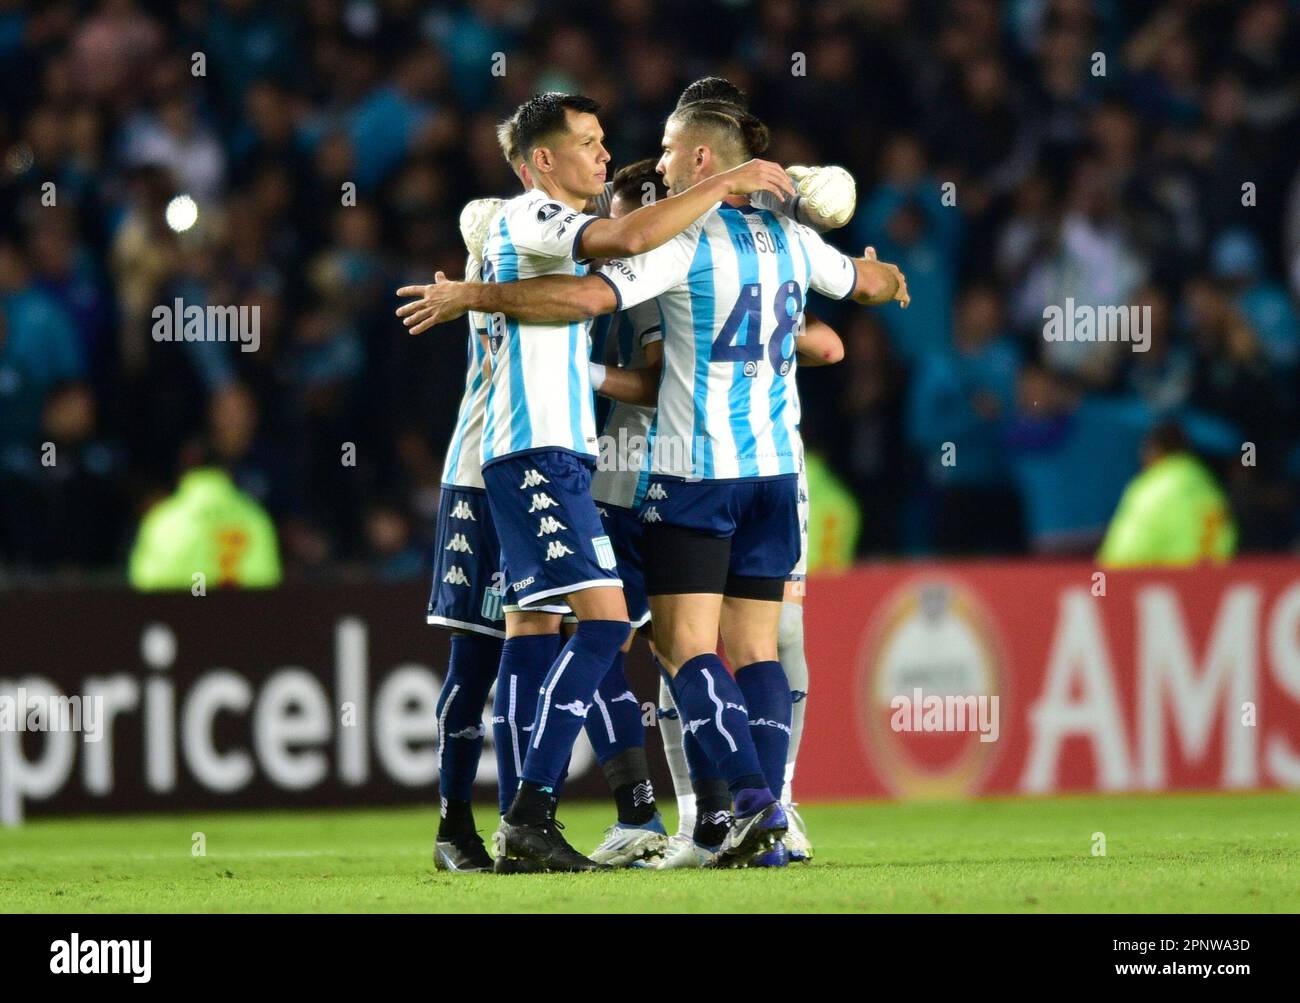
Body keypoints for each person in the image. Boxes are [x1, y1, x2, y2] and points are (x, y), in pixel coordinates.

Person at [400, 98, 908, 866]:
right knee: (758, 651)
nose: (652, 162)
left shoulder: (684, 240)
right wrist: (888, 275)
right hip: (775, 470)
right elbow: (856, 297)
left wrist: (475, 295)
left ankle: (728, 807)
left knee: (677, 644)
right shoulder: (791, 239)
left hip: (694, 473)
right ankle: (763, 823)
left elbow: (592, 291)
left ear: (704, 161)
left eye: (668, 151)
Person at [1097, 422, 1237, 568]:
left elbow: (1124, 556)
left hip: (1166, 584)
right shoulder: (1208, 487)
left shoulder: (1153, 489)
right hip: (1214, 583)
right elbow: (1225, 540)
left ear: (1154, 450)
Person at [128, 463, 281, 591]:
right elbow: (267, 581)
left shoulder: (162, 519)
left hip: (179, 621)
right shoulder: (255, 517)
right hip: (242, 622)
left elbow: (145, 585)